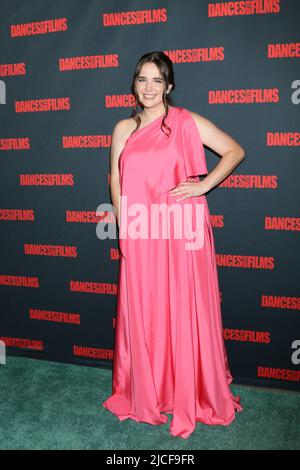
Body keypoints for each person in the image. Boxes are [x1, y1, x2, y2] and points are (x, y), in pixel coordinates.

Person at [102, 51, 245, 439]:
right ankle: (153, 391)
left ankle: (190, 390)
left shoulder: (184, 121)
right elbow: (115, 181)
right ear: (134, 84)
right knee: (147, 311)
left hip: (182, 230)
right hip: (141, 230)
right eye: (142, 80)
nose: (149, 88)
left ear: (169, 86)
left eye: (157, 81)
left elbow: (235, 151)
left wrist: (202, 185)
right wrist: (123, 226)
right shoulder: (122, 128)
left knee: (183, 309)